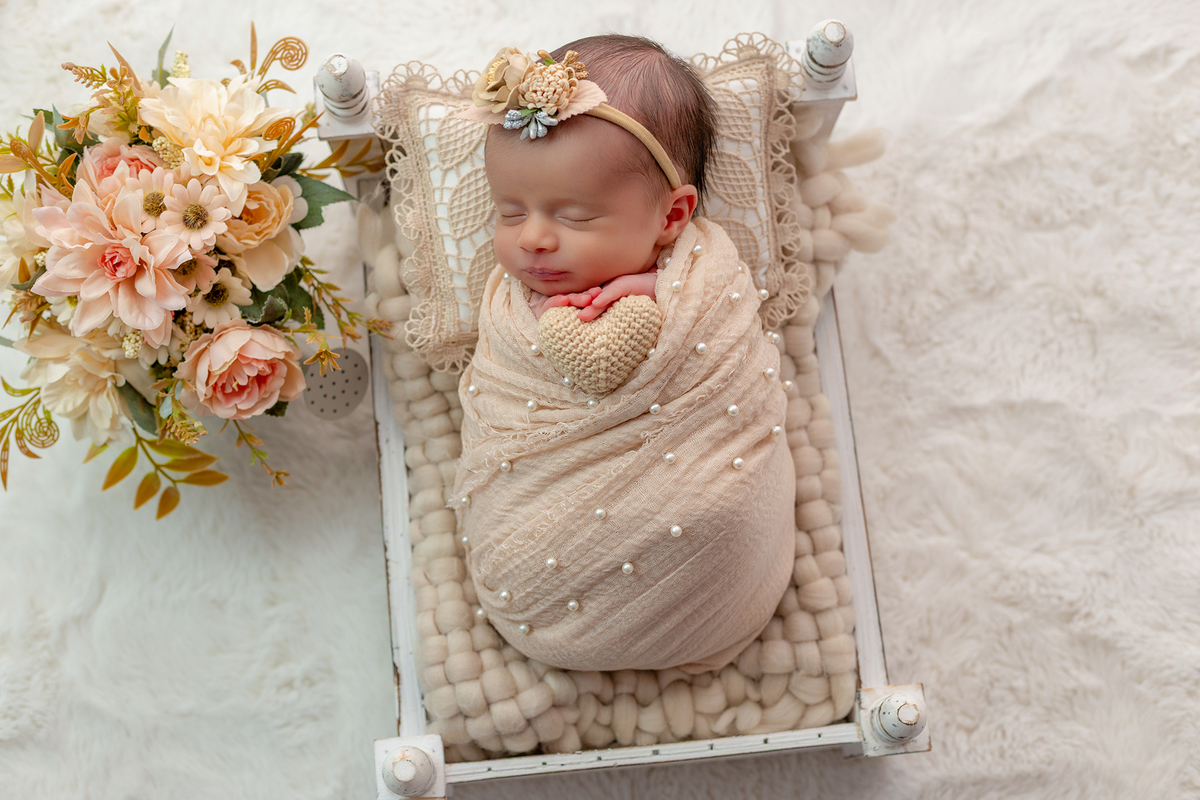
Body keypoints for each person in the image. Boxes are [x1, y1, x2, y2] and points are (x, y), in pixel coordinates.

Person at [452, 36, 797, 673]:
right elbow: (510, 380)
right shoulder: (511, 304)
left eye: (575, 217)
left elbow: (722, 364)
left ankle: (706, 587)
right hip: (538, 566)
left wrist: (652, 292)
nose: (532, 239)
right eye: (509, 212)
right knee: (526, 551)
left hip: (711, 542)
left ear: (672, 217)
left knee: (712, 507)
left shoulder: (704, 281)